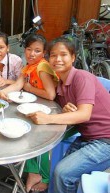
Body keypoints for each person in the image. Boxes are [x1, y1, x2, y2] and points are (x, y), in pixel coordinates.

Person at [27, 37, 110, 193]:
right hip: (87, 137)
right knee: (59, 172)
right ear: (48, 59)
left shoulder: (81, 77)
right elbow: (65, 111)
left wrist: (47, 118)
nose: (58, 59)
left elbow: (84, 115)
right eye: (53, 55)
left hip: (106, 140)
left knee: (62, 173)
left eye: (63, 54)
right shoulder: (60, 86)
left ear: (72, 57)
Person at [0, 34, 58, 192]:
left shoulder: (42, 67)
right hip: (35, 106)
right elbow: (18, 84)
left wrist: (30, 89)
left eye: (37, 51)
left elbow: (51, 94)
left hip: (50, 109)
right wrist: (4, 93)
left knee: (37, 137)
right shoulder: (29, 67)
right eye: (29, 49)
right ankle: (32, 170)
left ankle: (42, 176)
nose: (32, 54)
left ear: (43, 53)